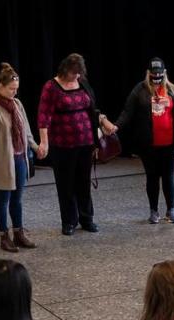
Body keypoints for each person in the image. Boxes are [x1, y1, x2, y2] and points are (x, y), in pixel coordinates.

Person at [37, 53, 113, 236]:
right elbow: (43, 116)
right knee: (66, 184)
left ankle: (87, 218)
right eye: (73, 73)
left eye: (79, 73)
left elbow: (92, 109)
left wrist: (103, 122)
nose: (76, 76)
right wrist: (44, 142)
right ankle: (69, 221)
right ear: (65, 70)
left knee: (83, 183)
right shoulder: (51, 87)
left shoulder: (83, 83)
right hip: (63, 145)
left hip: (85, 142)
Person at [114, 58, 174, 224]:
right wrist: (115, 127)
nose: (156, 76)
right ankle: (154, 211)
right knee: (152, 177)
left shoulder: (173, 90)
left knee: (168, 176)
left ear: (164, 73)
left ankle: (171, 210)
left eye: (159, 73)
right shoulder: (140, 90)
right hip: (148, 144)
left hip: (171, 143)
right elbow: (127, 112)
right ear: (148, 73)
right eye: (153, 73)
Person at [0, 63, 43, 252]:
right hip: (3, 162)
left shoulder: (17, 104)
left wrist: (35, 146)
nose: (15, 93)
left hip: (20, 159)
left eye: (16, 89)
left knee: (18, 199)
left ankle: (19, 234)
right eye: (11, 89)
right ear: (0, 86)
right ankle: (4, 237)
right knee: (3, 199)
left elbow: (26, 131)